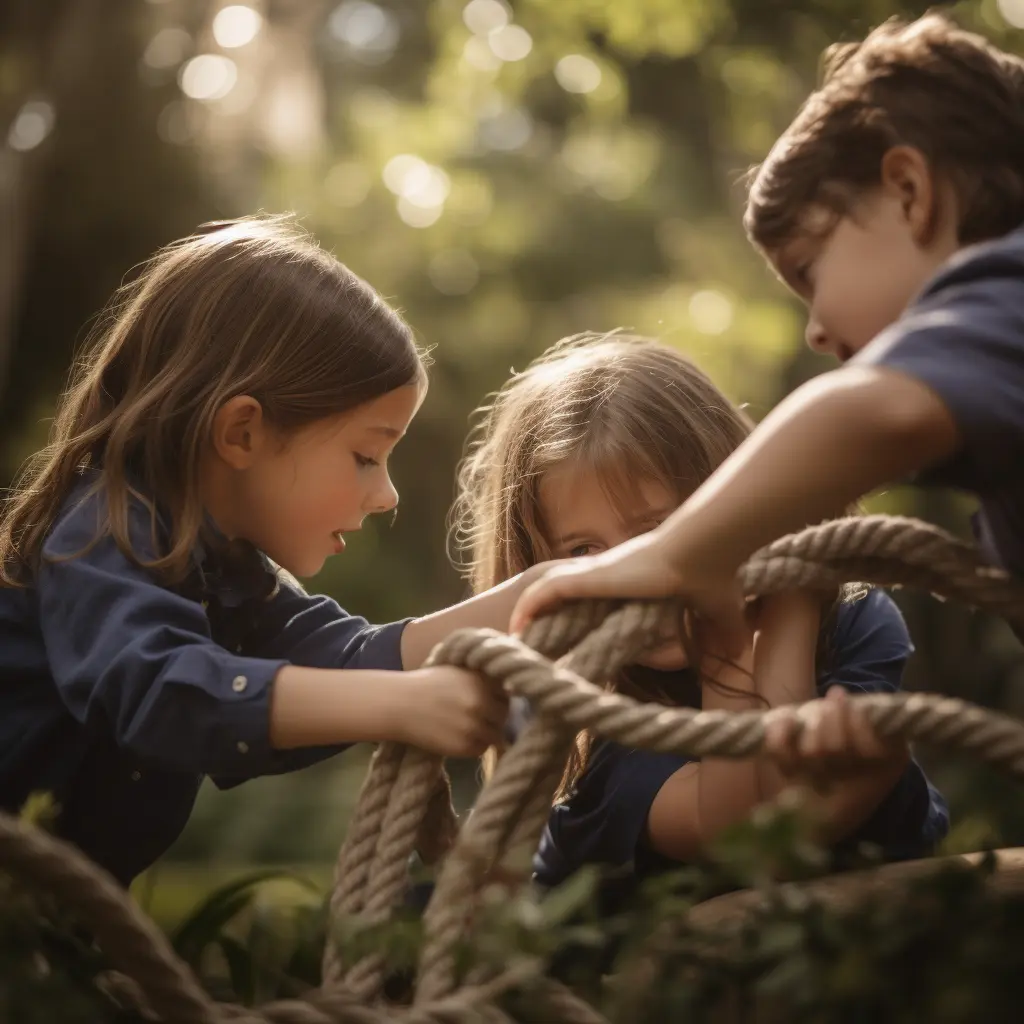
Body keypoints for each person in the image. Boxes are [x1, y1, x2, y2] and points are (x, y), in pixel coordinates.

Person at [510, 13, 1024, 769]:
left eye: (811, 272)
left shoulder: (1007, 288)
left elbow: (876, 408)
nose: (815, 330)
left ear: (909, 189)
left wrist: (676, 554)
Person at [0, 216, 548, 886]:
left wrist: (550, 590)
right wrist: (397, 705)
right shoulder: (97, 535)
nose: (387, 495)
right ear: (242, 432)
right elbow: (163, 691)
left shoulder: (226, 571)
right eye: (366, 456)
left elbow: (350, 657)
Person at [451, 333, 947, 909]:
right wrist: (734, 649)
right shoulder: (595, 731)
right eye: (584, 550)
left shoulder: (854, 620)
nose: (634, 571)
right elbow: (757, 845)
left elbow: (807, 817)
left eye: (659, 532)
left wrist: (790, 609)